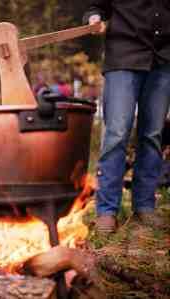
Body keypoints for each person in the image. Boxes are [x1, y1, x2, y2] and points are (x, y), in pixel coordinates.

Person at [84, 1, 170, 233]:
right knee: (116, 134)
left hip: (163, 59)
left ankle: (144, 207)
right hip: (124, 55)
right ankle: (106, 211)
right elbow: (96, 6)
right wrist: (94, 17)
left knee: (153, 135)